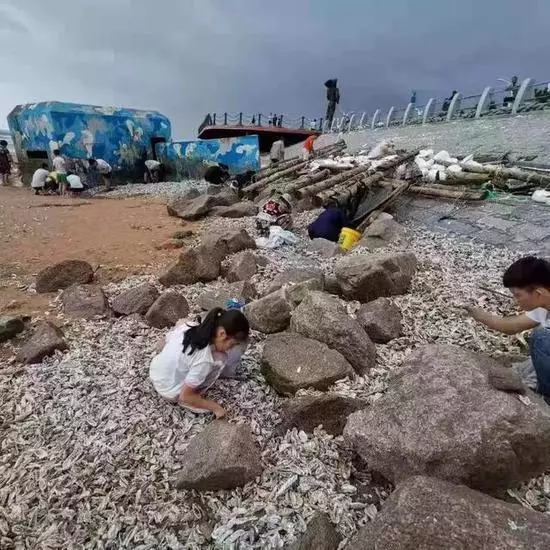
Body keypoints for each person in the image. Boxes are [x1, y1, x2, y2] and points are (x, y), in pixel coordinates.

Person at [465, 256, 550, 403]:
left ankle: (546, 395)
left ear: (538, 293)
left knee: (541, 338)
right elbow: (512, 326)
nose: (515, 301)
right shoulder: (544, 305)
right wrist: (479, 315)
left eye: (518, 296)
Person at [149, 308, 250, 417]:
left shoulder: (189, 326)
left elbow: (168, 340)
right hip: (168, 390)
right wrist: (216, 408)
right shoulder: (204, 360)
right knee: (221, 359)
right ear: (222, 334)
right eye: (231, 345)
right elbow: (185, 396)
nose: (230, 349)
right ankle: (192, 398)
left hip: (156, 371)